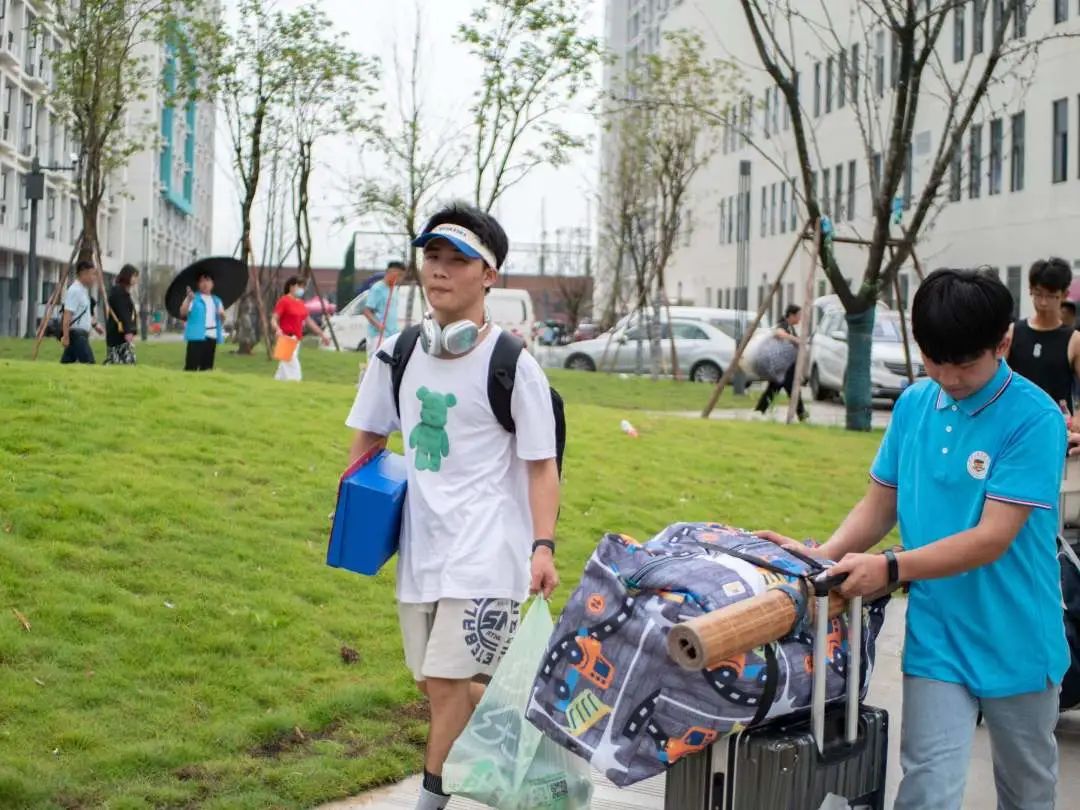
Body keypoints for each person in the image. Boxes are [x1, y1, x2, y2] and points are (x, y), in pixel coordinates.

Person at [762, 268, 1067, 810]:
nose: (948, 378)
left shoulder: (1035, 418)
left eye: (965, 364)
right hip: (938, 637)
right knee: (927, 786)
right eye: (934, 360)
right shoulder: (914, 404)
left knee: (1026, 792)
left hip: (1018, 637)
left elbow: (991, 538)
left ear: (1004, 343)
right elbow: (879, 506)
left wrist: (891, 568)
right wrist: (819, 557)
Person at [345, 203, 559, 810]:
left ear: (488, 275)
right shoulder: (399, 351)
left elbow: (542, 467)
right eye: (432, 258)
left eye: (457, 260)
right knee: (437, 685)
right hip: (422, 550)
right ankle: (522, 762)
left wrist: (542, 546)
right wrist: (356, 511)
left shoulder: (513, 365)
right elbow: (368, 438)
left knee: (444, 685)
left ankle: (431, 801)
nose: (438, 272)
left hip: (488, 551)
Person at [1006, 257, 1080, 413]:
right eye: (1038, 294)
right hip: (1016, 419)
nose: (1044, 302)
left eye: (1051, 295)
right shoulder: (1013, 332)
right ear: (1030, 290)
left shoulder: (1074, 340)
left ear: (1065, 294)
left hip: (1056, 421)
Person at [271, 276, 331, 381]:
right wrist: (277, 329)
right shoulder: (284, 301)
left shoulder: (300, 304)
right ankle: (296, 384)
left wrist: (322, 335)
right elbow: (274, 319)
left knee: (285, 366)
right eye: (299, 286)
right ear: (291, 286)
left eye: (303, 287)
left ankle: (277, 383)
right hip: (286, 338)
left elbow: (309, 321)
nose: (301, 289)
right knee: (291, 364)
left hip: (296, 339)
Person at [754, 304, 807, 421]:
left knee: (774, 390)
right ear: (791, 315)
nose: (800, 318)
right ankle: (802, 415)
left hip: (786, 367)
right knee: (792, 391)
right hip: (783, 367)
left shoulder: (791, 328)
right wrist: (796, 340)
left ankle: (759, 411)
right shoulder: (784, 325)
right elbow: (779, 333)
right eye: (798, 315)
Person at [60, 260, 103, 364]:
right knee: (89, 363)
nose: (94, 278)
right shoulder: (74, 290)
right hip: (77, 335)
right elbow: (67, 315)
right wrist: (65, 337)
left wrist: (95, 325)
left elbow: (84, 313)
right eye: (92, 274)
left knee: (66, 364)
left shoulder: (83, 291)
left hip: (81, 334)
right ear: (83, 273)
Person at [180, 270, 224, 372]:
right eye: (202, 281)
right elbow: (183, 312)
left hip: (212, 335)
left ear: (212, 283)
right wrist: (188, 300)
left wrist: (222, 315)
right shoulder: (193, 298)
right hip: (196, 335)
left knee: (207, 367)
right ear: (198, 284)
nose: (205, 284)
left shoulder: (217, 300)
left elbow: (222, 319)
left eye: (208, 280)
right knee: (191, 366)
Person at [364, 260, 402, 351]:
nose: (398, 278)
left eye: (400, 275)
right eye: (397, 275)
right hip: (378, 335)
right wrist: (378, 325)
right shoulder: (377, 289)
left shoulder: (394, 289)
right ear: (389, 273)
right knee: (376, 362)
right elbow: (367, 311)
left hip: (392, 334)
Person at [104, 264, 139, 365]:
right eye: (134, 276)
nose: (136, 280)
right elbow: (123, 312)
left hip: (119, 332)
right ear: (127, 276)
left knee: (119, 360)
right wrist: (128, 331)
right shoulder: (119, 292)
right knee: (122, 360)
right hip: (119, 333)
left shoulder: (122, 292)